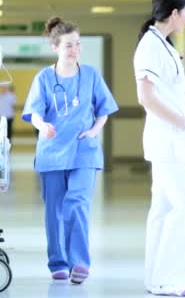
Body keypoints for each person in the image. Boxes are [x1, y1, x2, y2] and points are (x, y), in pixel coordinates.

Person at [22, 16, 118, 284]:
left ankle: (79, 262)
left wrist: (95, 130)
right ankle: (58, 262)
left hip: (84, 149)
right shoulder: (43, 77)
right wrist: (43, 126)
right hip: (52, 151)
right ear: (55, 47)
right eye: (68, 45)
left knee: (77, 203)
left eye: (77, 43)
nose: (74, 49)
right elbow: (34, 112)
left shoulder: (91, 75)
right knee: (54, 209)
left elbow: (104, 110)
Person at [133, 0, 185, 297]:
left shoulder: (162, 44)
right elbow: (147, 98)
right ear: (173, 13)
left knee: (162, 208)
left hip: (171, 141)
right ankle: (170, 278)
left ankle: (156, 278)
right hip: (168, 140)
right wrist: (183, 121)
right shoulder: (150, 46)